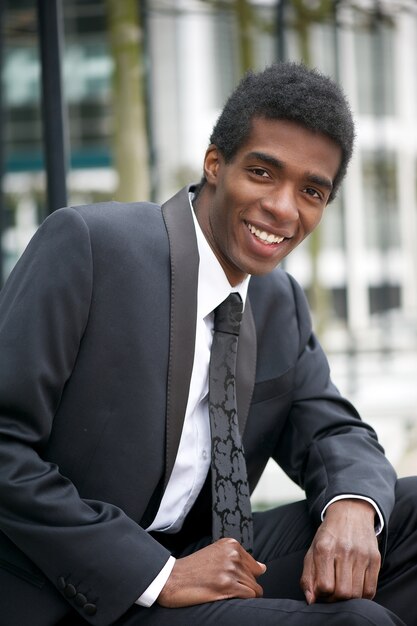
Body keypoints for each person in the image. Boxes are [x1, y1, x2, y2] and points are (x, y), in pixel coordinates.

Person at [0, 62, 415, 626]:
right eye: (264, 173)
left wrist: (352, 507)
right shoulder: (91, 247)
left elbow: (333, 430)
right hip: (79, 583)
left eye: (311, 191)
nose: (283, 209)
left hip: (211, 554)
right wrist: (156, 574)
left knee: (406, 511)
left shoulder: (277, 300)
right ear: (215, 163)